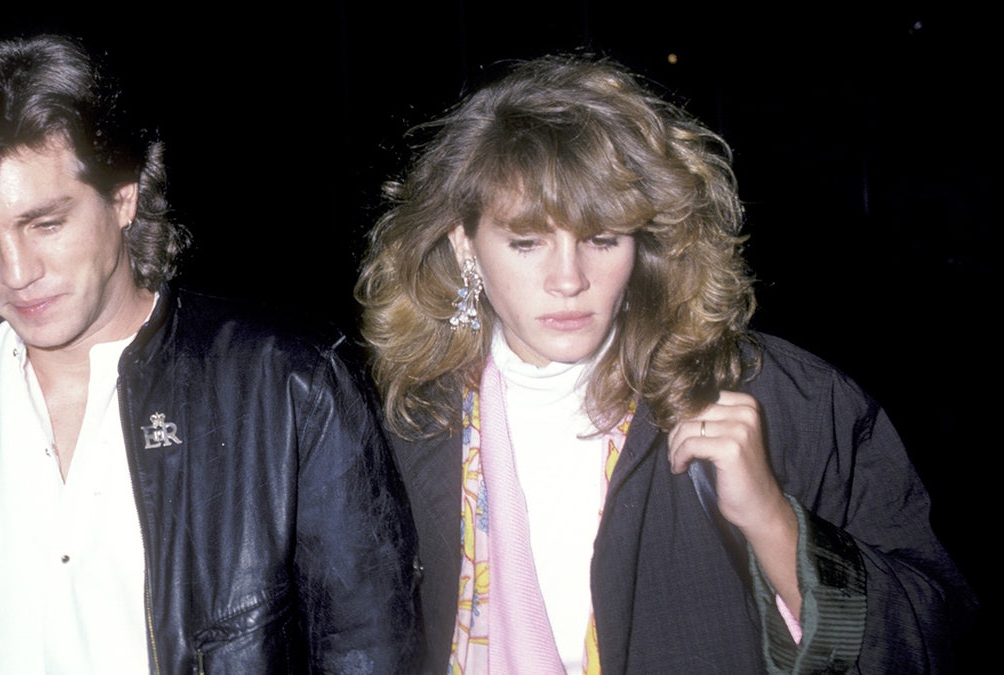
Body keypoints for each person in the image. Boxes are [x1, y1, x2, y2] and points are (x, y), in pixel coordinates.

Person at [355, 53, 977, 673]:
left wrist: (773, 521)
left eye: (603, 238)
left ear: (645, 241)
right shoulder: (400, 424)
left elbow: (937, 639)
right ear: (466, 247)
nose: (568, 280)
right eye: (527, 242)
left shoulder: (788, 400)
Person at [0, 34, 420, 673]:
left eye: (45, 223)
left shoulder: (289, 386)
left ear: (124, 196)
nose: (15, 271)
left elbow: (369, 650)